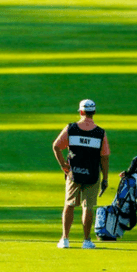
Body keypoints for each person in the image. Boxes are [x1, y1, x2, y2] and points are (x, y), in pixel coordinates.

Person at [52, 99, 110, 249]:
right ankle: (87, 240)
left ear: (81, 112)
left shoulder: (71, 128)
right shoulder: (100, 133)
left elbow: (56, 146)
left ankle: (65, 239)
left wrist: (64, 165)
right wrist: (105, 178)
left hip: (74, 173)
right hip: (92, 174)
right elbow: (104, 158)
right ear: (94, 112)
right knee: (88, 207)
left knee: (69, 204)